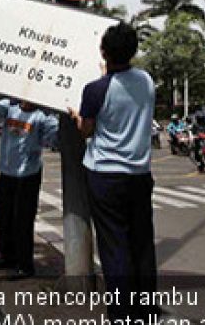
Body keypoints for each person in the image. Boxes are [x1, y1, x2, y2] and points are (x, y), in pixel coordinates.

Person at [68, 22, 157, 320]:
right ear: (133, 51)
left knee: (114, 244)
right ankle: (145, 308)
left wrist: (76, 116)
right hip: (139, 174)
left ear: (103, 52)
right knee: (141, 242)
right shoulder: (146, 81)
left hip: (105, 175)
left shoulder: (95, 89)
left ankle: (121, 313)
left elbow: (86, 130)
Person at [0, 98, 59, 279]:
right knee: (3, 216)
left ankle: (25, 265)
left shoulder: (44, 117)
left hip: (28, 175)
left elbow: (56, 138)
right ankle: (6, 257)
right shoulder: (9, 107)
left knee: (23, 221)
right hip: (7, 173)